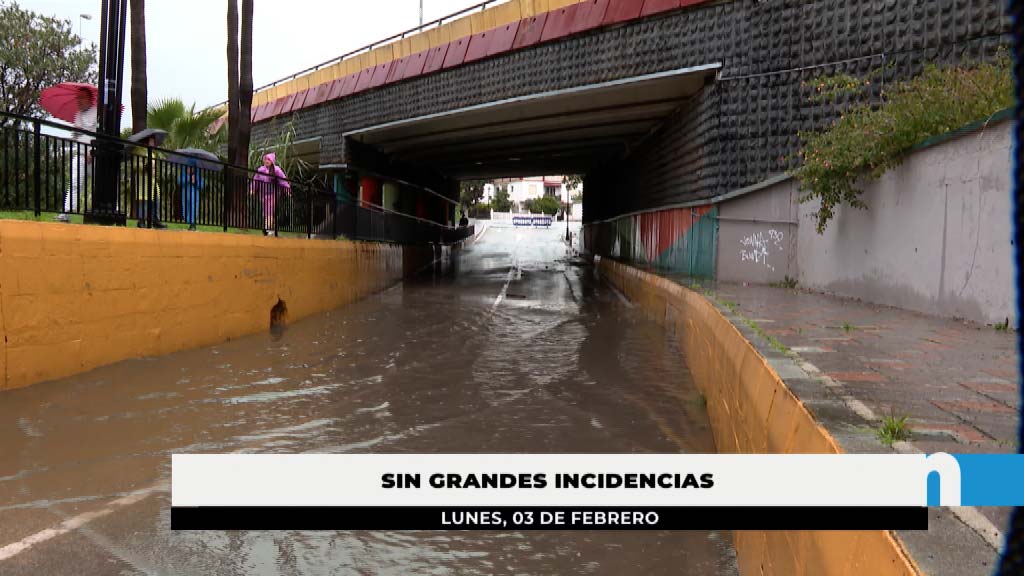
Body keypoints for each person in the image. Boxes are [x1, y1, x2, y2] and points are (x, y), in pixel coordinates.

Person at [56, 92, 96, 222]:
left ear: (89, 98)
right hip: (80, 154)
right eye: (78, 98)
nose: (78, 100)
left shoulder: (97, 112)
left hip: (95, 156)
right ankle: (66, 213)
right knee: (74, 183)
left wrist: (92, 150)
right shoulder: (78, 115)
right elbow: (77, 136)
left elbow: (97, 134)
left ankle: (110, 209)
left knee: (100, 184)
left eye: (81, 98)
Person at [130, 135, 166, 229]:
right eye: (152, 141)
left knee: (156, 200)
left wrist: (154, 171)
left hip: (153, 180)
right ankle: (141, 221)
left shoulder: (153, 154)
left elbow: (154, 167)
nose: (153, 143)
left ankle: (155, 220)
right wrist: (145, 167)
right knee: (144, 201)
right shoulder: (139, 150)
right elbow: (135, 164)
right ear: (147, 140)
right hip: (143, 179)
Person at [251, 152, 291, 236]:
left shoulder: (276, 170)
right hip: (263, 194)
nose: (266, 161)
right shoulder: (261, 170)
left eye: (268, 159)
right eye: (265, 159)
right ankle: (271, 229)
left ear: (272, 160)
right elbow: (255, 180)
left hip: (273, 194)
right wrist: (253, 189)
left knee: (268, 210)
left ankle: (266, 229)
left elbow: (283, 180)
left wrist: (287, 190)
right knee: (267, 211)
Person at [179, 162, 203, 231]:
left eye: (191, 168)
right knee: (186, 209)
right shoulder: (184, 174)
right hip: (185, 196)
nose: (190, 169)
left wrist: (195, 181)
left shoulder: (197, 175)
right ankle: (189, 223)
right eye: (189, 167)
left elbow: (201, 185)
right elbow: (179, 181)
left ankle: (193, 224)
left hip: (194, 196)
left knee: (193, 209)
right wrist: (189, 179)